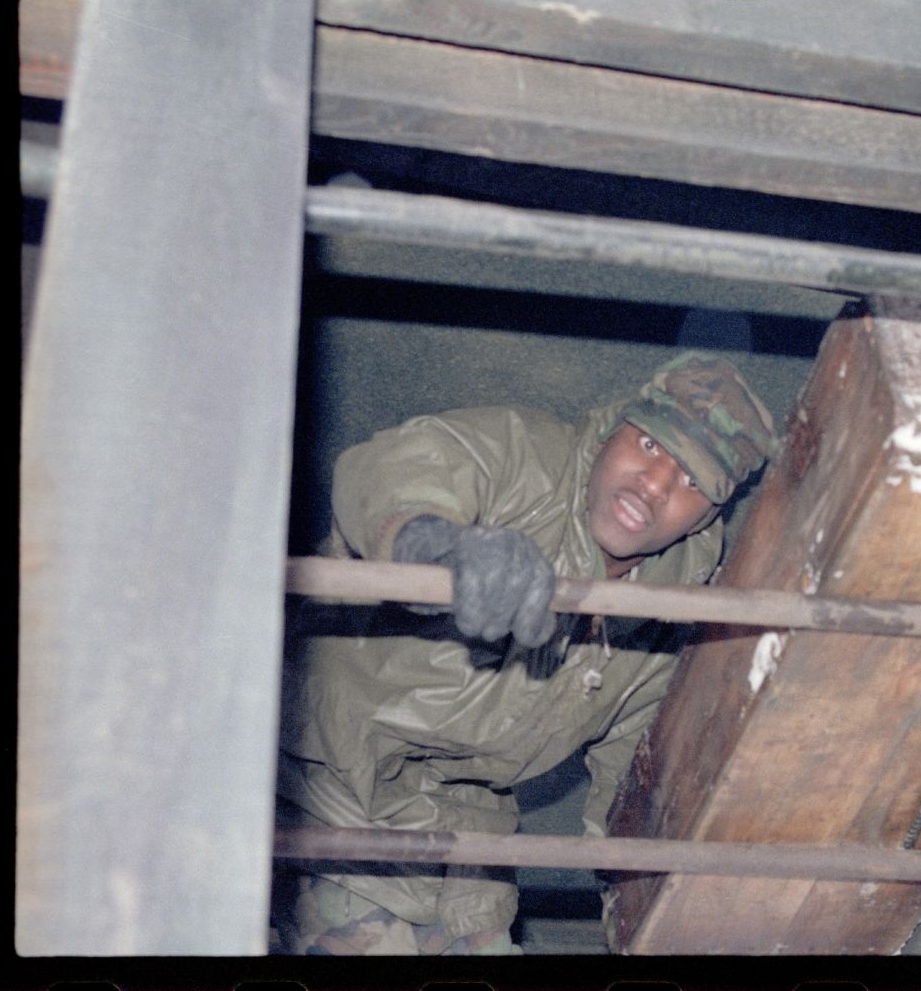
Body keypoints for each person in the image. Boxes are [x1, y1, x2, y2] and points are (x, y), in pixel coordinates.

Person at [272, 351, 776, 955]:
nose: (656, 484)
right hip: (328, 782)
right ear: (616, 427)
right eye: (649, 446)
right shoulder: (531, 459)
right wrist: (435, 544)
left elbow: (627, 778)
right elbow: (399, 468)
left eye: (692, 482)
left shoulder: (668, 615)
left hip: (465, 839)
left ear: (707, 518)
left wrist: (647, 898)